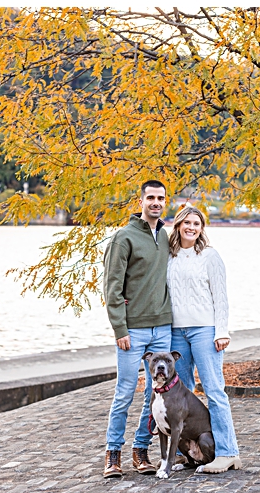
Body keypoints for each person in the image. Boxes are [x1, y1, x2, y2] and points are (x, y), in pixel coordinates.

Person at [103, 179, 174, 477]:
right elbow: (111, 287)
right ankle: (113, 455)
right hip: (133, 331)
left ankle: (140, 451)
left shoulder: (166, 236)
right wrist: (120, 329)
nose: (156, 202)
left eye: (160, 198)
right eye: (151, 198)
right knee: (125, 392)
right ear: (141, 200)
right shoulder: (124, 238)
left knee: (154, 396)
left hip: (162, 328)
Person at [166, 204, 243, 473]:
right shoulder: (169, 255)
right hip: (176, 332)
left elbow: (220, 297)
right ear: (177, 225)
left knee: (214, 390)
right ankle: (187, 453)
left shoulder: (209, 256)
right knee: (180, 394)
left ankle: (228, 452)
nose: (191, 227)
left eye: (196, 224)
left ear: (201, 229)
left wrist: (221, 331)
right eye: (187, 222)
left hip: (205, 331)